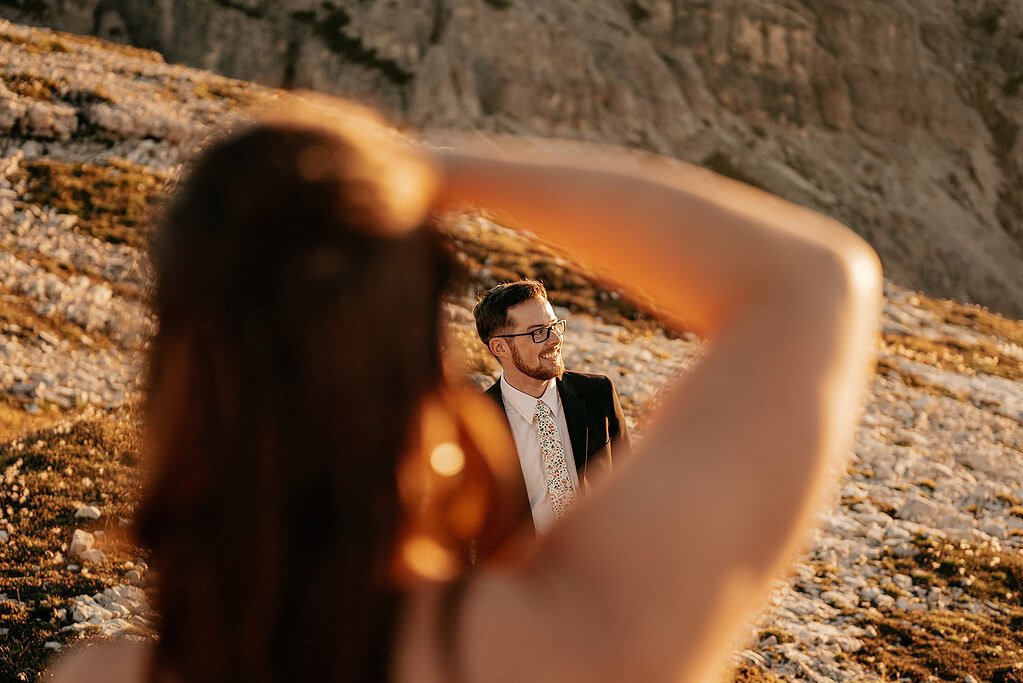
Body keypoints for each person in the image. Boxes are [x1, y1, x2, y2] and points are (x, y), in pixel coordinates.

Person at [48, 96, 882, 682]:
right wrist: (418, 169)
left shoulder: (92, 677)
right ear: (425, 362)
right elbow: (812, 282)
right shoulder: (568, 640)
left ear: (176, 382)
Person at [473, 279, 632, 537]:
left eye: (554, 326)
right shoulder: (476, 421)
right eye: (538, 332)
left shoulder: (598, 394)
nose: (556, 339)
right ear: (500, 347)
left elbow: (630, 485)